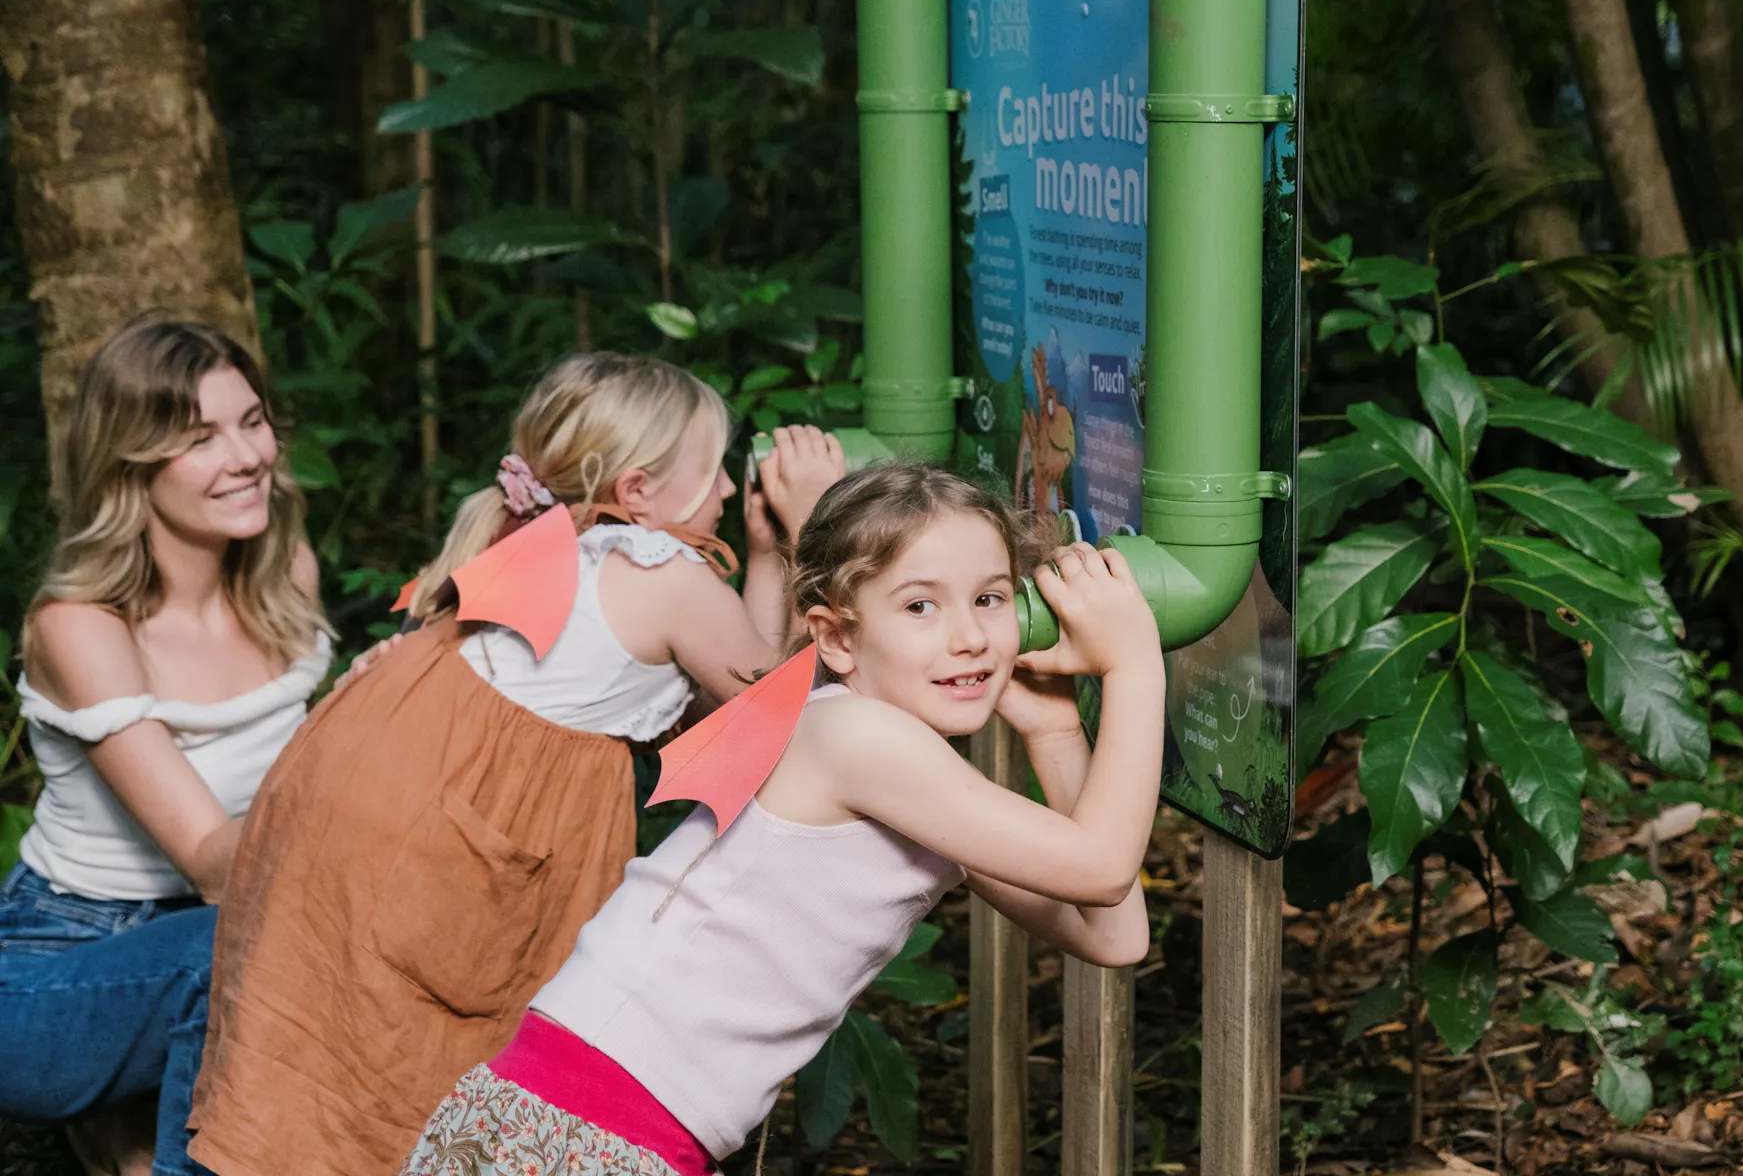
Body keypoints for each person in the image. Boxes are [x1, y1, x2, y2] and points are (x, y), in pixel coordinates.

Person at [401, 460, 1167, 1176]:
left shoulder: (905, 772)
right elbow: (1100, 868)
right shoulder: (858, 739)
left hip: (587, 1121)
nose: (968, 636)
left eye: (990, 598)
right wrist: (1134, 665)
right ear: (835, 637)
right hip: (587, 1129)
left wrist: (1054, 732)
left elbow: (1114, 932)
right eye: (920, 605)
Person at [187, 353, 844, 1176]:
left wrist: (766, 554)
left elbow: (740, 684)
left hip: (377, 781)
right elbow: (776, 719)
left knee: (334, 1045)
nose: (721, 492)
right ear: (638, 492)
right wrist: (817, 519)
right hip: (461, 829)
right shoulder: (661, 572)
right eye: (712, 471)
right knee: (441, 1045)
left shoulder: (552, 541)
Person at [1, 318, 332, 1176]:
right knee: (238, 946)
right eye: (201, 438)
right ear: (131, 464)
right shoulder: (80, 626)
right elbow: (216, 867)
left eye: (252, 421)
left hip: (220, 945)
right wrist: (365, 738)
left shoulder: (286, 576)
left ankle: (129, 1134)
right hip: (58, 967)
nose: (248, 454)